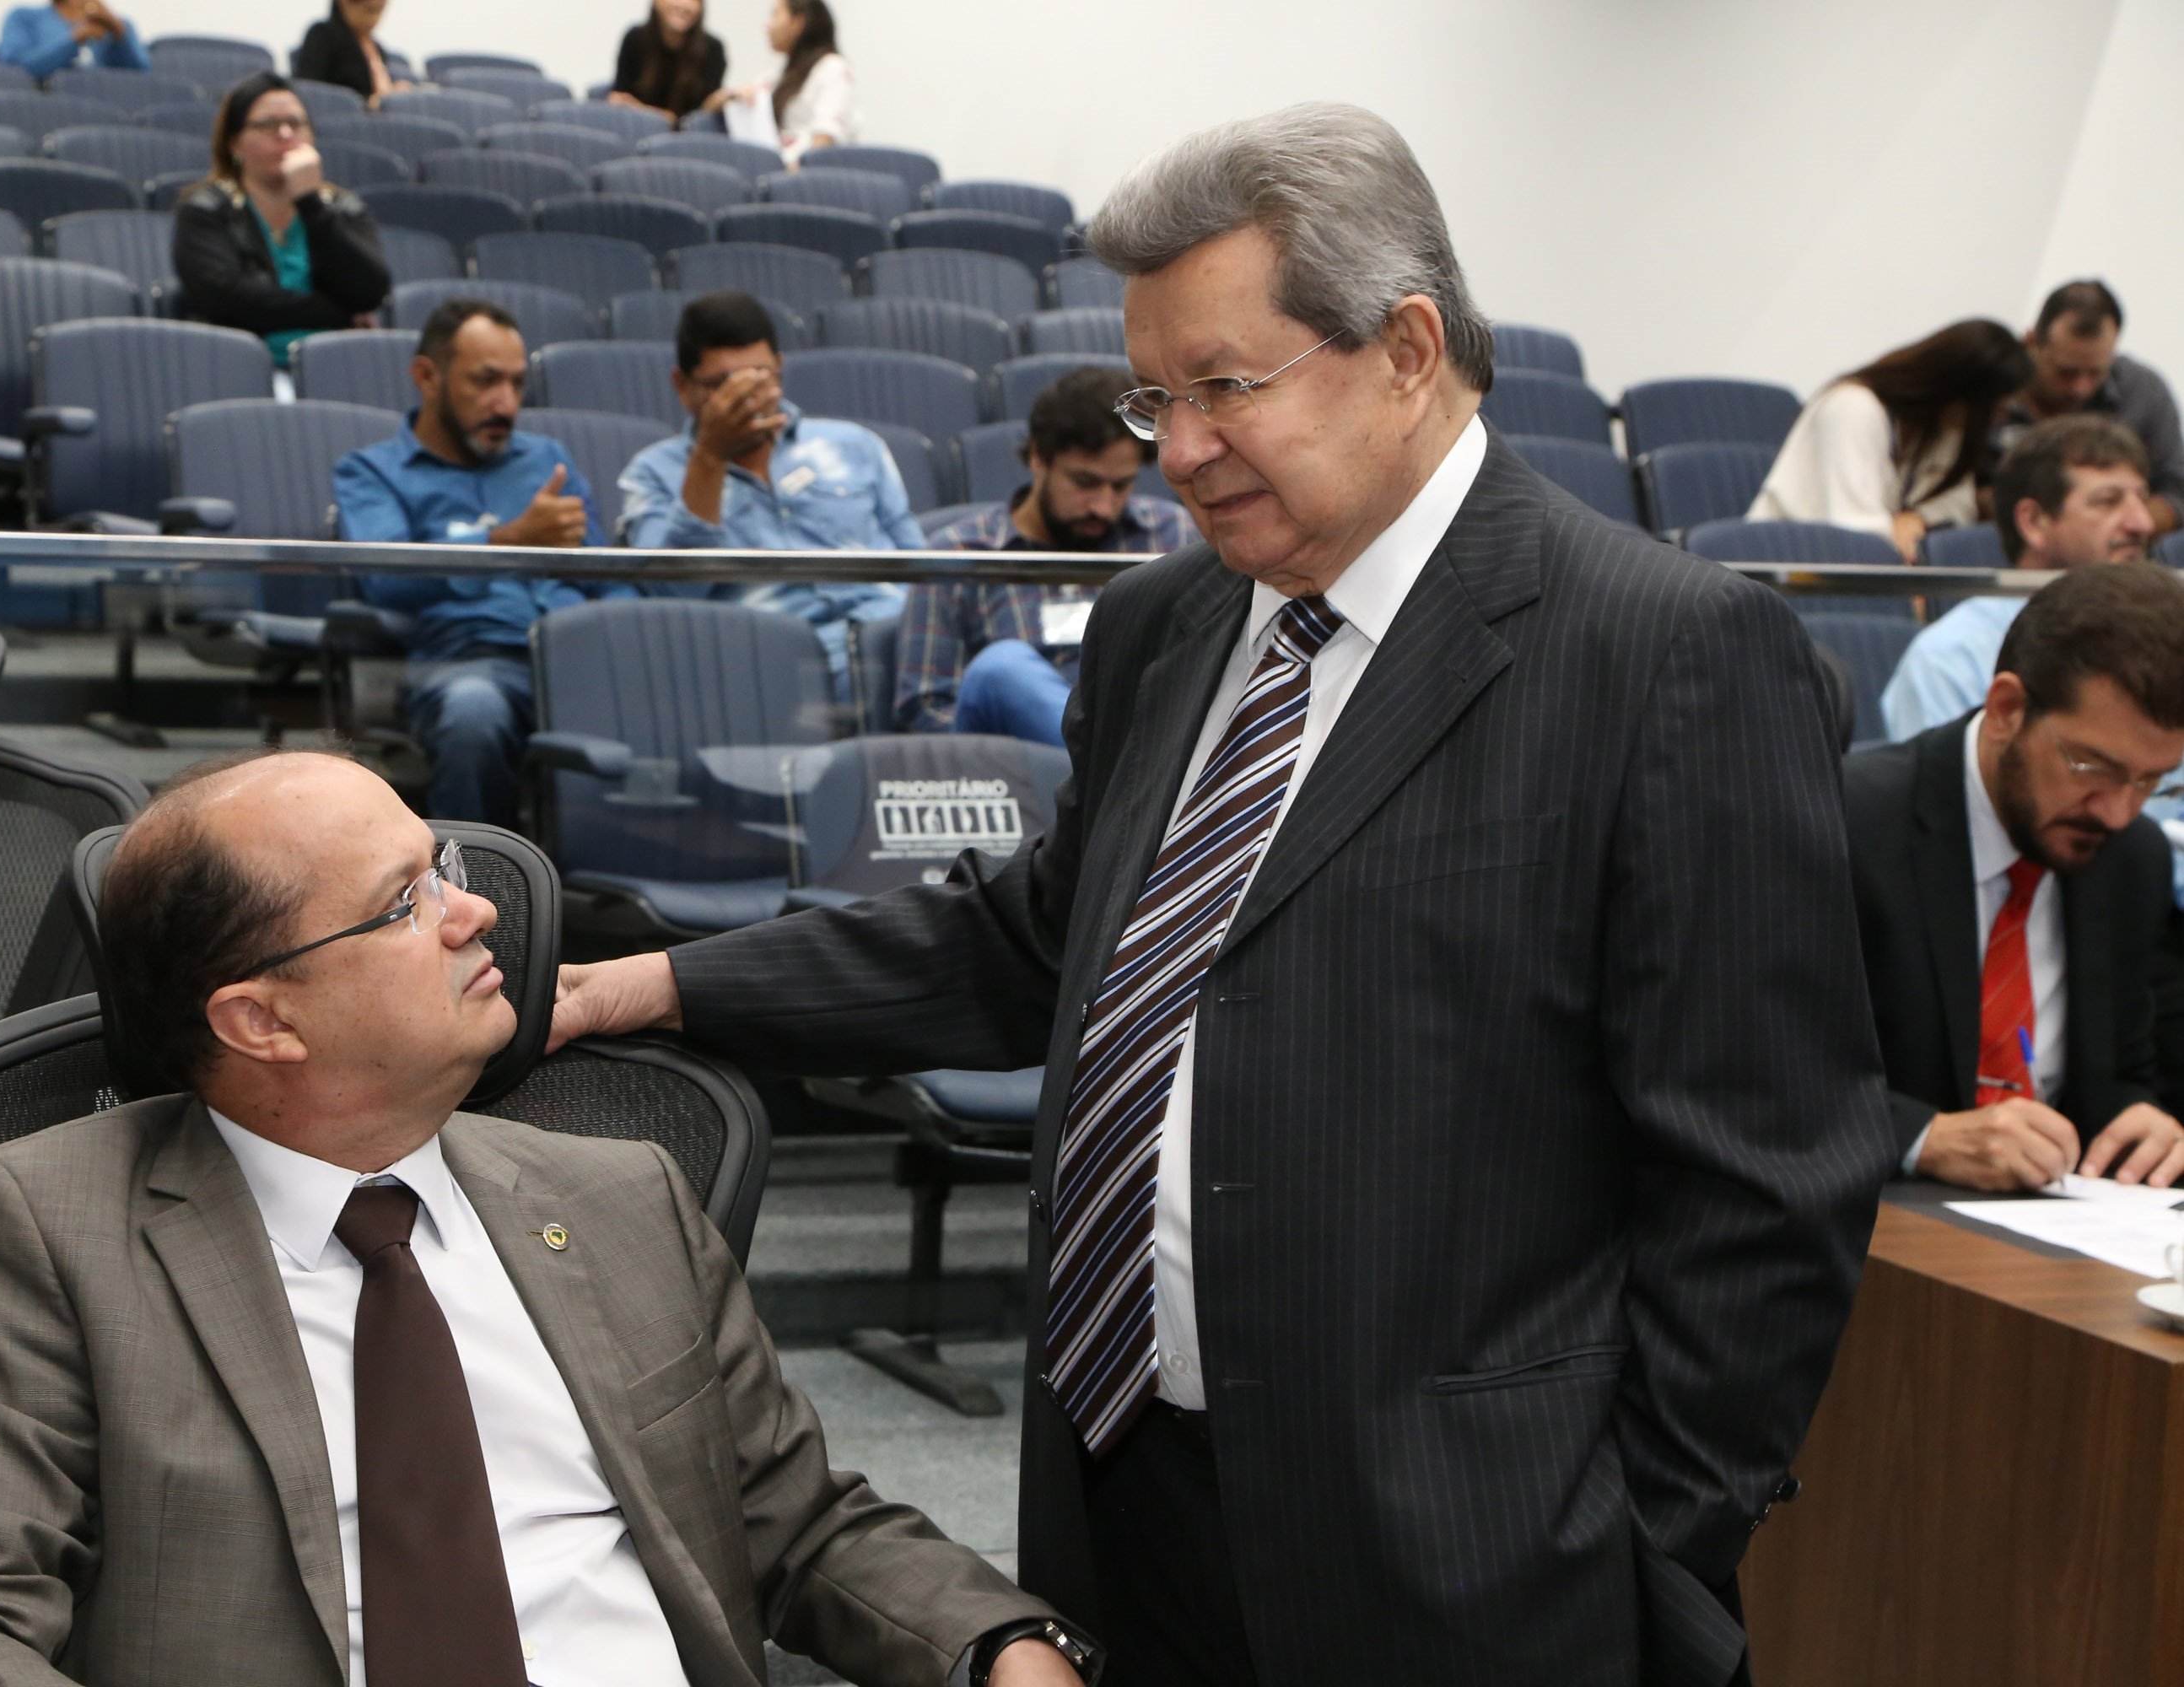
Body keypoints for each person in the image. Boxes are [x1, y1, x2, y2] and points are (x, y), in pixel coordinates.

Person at [556, 102, 1892, 1686]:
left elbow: (1767, 1180)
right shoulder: (1166, 628)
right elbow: (1037, 941)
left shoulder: (1669, 656)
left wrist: (1640, 1551)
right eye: (1156, 397)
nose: (1174, 451)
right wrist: (659, 984)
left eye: (1225, 388)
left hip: (1479, 1566)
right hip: (1129, 1499)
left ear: (1406, 349)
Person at [0, 746, 1098, 1687]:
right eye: (405, 902)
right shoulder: (52, 1222)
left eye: (441, 865)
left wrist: (1004, 1644)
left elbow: (798, 1521)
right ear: (262, 1020)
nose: (476, 909)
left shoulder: (622, 1195)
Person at [1846, 564, 2184, 1192]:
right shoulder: (1849, 823)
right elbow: (1757, 1072)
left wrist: (2144, 1121)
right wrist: (1924, 1138)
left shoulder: (2132, 858)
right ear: (2006, 709)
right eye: (2093, 767)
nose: (2119, 812)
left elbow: (2121, 1072)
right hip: (1882, 1223)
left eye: (2151, 781)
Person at [335, 299, 622, 829]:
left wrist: (626, 633)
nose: (506, 404)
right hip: (467, 662)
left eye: (516, 384)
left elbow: (604, 576)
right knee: (474, 714)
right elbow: (385, 578)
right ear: (427, 377)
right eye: (486, 381)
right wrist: (510, 540)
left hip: (578, 657)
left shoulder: (547, 460)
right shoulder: (371, 473)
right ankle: (484, 874)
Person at [618, 290, 916, 698]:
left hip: (895, 641)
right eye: (722, 385)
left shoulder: (855, 445)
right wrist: (710, 456)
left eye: (759, 378)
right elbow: (671, 595)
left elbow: (920, 567)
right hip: (774, 667)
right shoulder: (653, 473)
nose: (747, 400)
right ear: (683, 386)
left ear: (779, 368)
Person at [899, 365, 1200, 744]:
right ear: (1038, 458)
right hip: (1019, 763)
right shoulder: (959, 553)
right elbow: (926, 710)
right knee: (1001, 671)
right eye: (1085, 483)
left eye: (1120, 486)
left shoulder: (1170, 535)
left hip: (1147, 736)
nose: (1103, 506)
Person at [1882, 414, 2155, 741]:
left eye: (2142, 500)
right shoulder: (1951, 659)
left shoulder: (2167, 636)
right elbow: (1941, 774)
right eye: (2108, 501)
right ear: (2034, 522)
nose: (2143, 523)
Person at [1749, 318, 2034, 559]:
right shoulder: (1852, 408)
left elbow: (1959, 504)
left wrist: (1915, 518)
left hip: (1854, 568)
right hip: (1790, 563)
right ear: (1958, 391)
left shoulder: (1942, 426)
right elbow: (1856, 528)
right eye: (1995, 409)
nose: (1998, 420)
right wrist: (1903, 536)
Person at [174, 74, 389, 385]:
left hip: (337, 372)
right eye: (268, 125)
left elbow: (369, 290)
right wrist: (339, 312)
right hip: (236, 372)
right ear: (234, 143)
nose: (286, 134)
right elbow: (224, 298)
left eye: (296, 123)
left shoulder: (343, 207)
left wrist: (310, 203)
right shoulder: (205, 209)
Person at [1999, 280, 2184, 534]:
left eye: (2096, 373)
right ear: (2031, 342)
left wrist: (2116, 528)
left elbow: (2177, 489)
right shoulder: (1995, 386)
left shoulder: (2143, 391)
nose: (2081, 389)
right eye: (2066, 373)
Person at [704, 0, 854, 164]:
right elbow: (708, 109)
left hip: (805, 173)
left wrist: (788, 174)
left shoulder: (833, 68)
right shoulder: (777, 77)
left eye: (775, 15)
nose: (767, 26)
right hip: (771, 167)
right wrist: (731, 96)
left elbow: (825, 139)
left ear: (798, 23)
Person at [609, 0, 725, 126]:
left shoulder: (712, 49)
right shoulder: (635, 39)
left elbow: (704, 112)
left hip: (687, 133)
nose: (683, 5)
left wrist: (725, 98)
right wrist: (664, 117)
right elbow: (619, 98)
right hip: (637, 126)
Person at [291, 0, 410, 109]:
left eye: (379, 10)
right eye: (369, 10)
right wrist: (368, 102)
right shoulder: (323, 36)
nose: (374, 18)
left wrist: (394, 93)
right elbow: (310, 91)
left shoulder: (378, 49)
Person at [0, 0, 148, 78]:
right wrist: (76, 38)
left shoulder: (117, 25)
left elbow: (141, 76)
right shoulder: (24, 17)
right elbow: (15, 69)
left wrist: (118, 33)